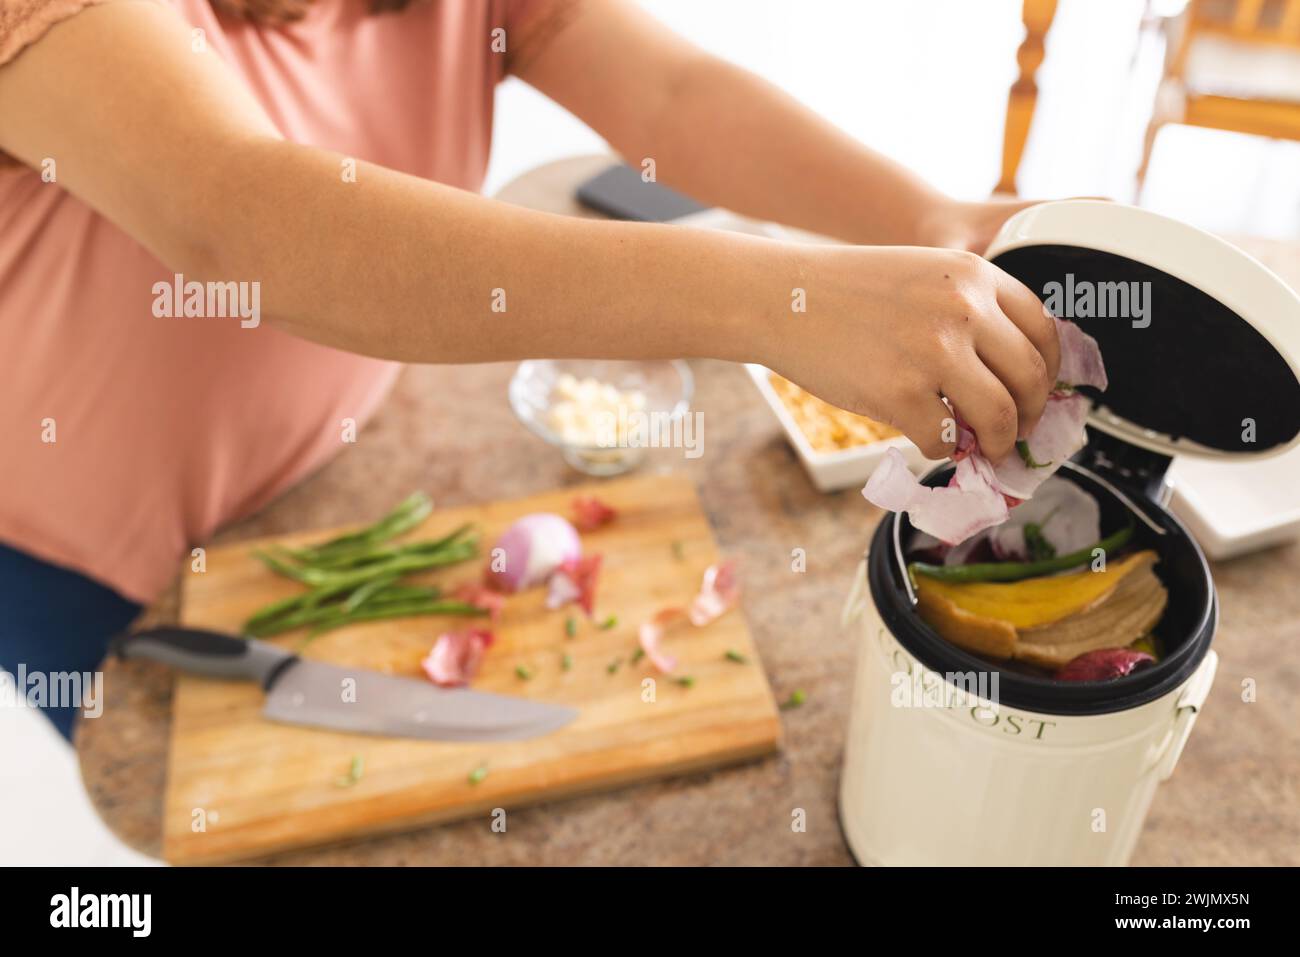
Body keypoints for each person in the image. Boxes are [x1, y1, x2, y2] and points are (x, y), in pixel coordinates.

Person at [0, 0, 1060, 739]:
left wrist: (929, 217)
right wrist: (777, 301)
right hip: (88, 564)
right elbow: (240, 220)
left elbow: (671, 92)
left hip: (346, 478)